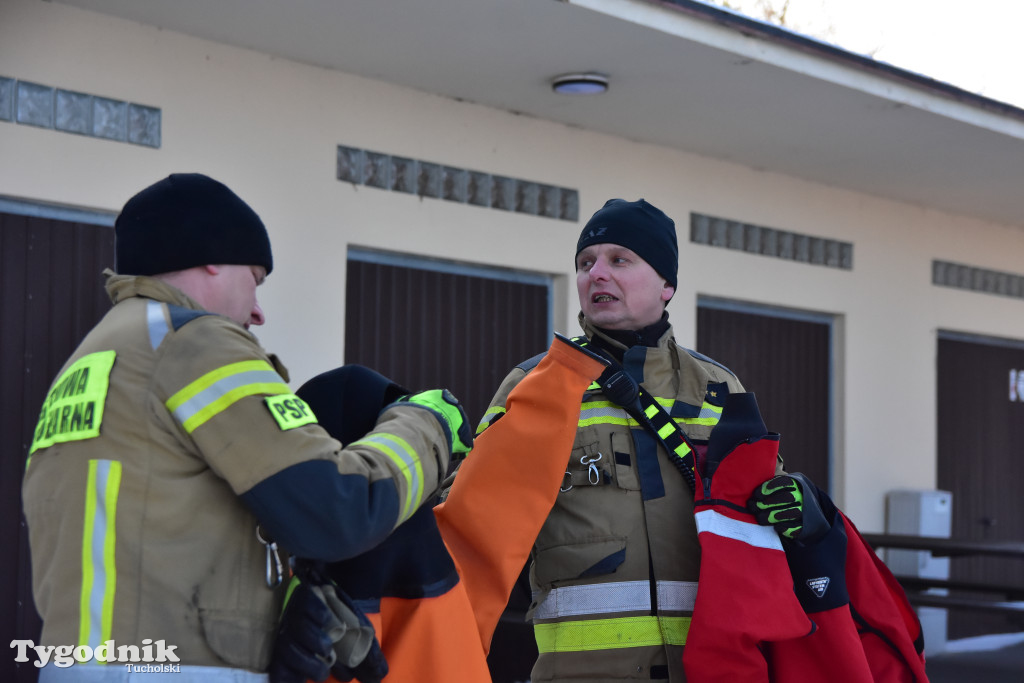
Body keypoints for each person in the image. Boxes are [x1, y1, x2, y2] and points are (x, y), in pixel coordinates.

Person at [21, 173, 471, 682]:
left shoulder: (95, 359)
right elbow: (338, 508)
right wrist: (428, 423)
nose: (257, 310)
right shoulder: (194, 343)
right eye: (255, 279)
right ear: (213, 255)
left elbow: (163, 527)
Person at [453, 198, 925, 682]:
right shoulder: (534, 386)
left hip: (715, 669)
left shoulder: (718, 388)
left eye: (620, 260)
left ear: (667, 285)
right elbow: (472, 520)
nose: (596, 274)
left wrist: (799, 505)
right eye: (585, 262)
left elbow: (764, 491)